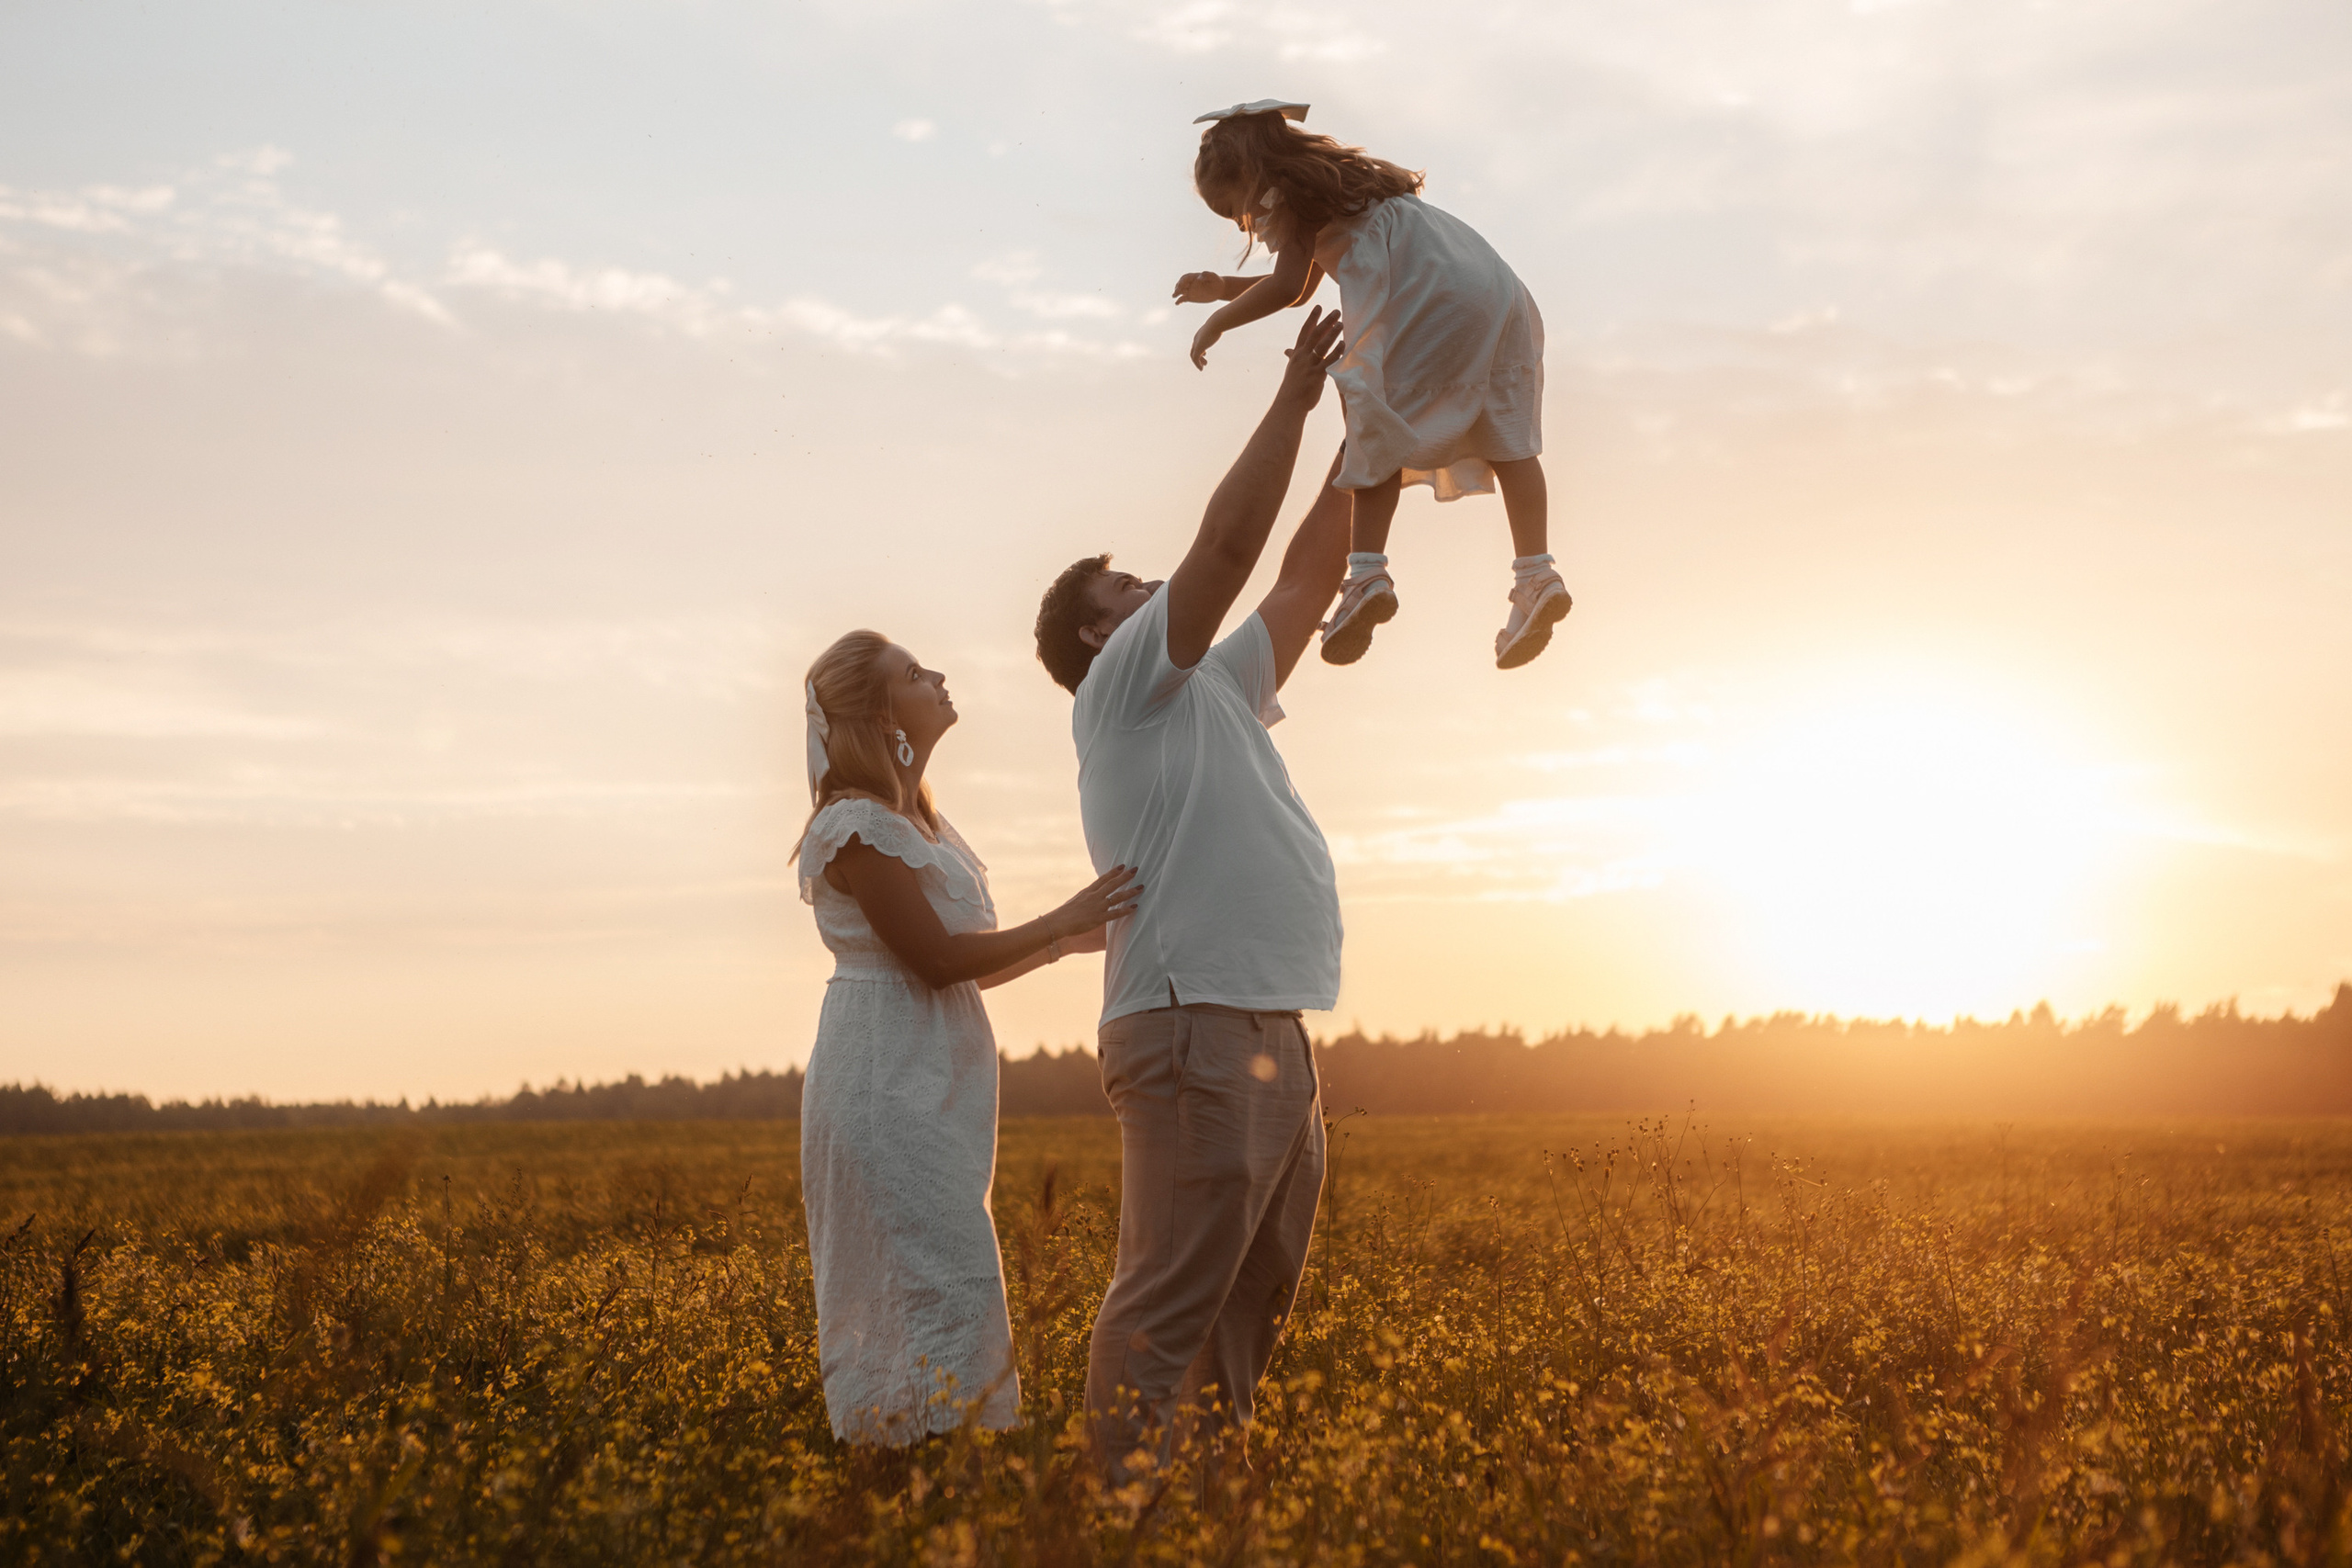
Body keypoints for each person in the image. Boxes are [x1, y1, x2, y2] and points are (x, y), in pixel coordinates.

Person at [1030, 307, 1349, 1474]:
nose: (1150, 582)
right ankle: (1113, 1524)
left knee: (1246, 1312)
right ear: (1095, 629)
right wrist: (1297, 397)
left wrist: (1379, 447)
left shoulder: (1213, 683)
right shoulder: (1120, 688)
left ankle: (1211, 1522)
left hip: (1271, 1029)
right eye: (1124, 583)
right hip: (1188, 1025)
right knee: (1168, 1304)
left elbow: (1309, 577)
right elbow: (1228, 552)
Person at [795, 628, 1142, 1445]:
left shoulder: (923, 822)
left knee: (945, 1278)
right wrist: (1061, 916)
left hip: (935, 1066)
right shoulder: (853, 823)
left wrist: (1065, 939)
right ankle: (919, 1469)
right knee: (937, 1281)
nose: (939, 676)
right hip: (884, 1072)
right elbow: (935, 959)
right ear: (883, 713)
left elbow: (965, 966)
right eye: (915, 673)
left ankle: (939, 1477)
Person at [1174, 100, 1570, 670]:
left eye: (1237, 209)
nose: (1247, 224)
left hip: (1424, 296)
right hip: (1488, 286)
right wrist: (1227, 288)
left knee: (1376, 426)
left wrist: (1217, 322)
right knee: (1507, 434)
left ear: (1252, 175)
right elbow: (1305, 279)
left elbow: (1289, 286)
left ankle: (1365, 574)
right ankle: (1536, 572)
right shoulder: (1341, 183)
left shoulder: (1287, 193)